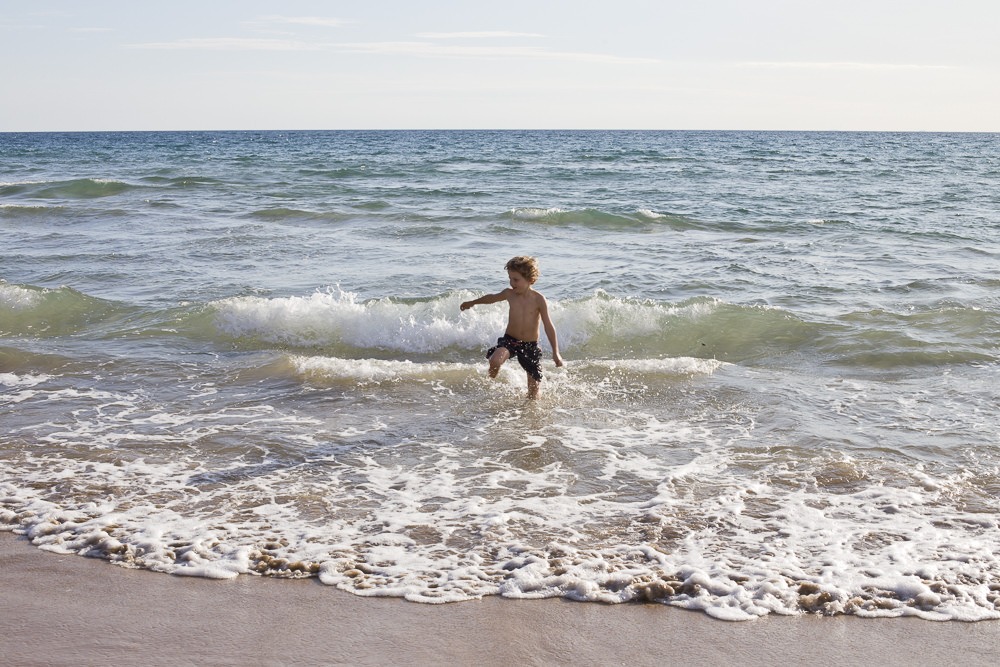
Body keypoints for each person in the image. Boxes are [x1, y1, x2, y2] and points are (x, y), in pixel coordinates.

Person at [460, 256, 564, 399]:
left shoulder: (538, 299)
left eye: (516, 280)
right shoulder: (509, 294)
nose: (511, 283)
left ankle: (531, 410)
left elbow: (548, 326)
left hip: (530, 346)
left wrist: (556, 352)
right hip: (510, 340)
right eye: (510, 278)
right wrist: (473, 302)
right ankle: (489, 381)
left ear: (530, 279)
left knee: (533, 393)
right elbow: (491, 298)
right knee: (495, 360)